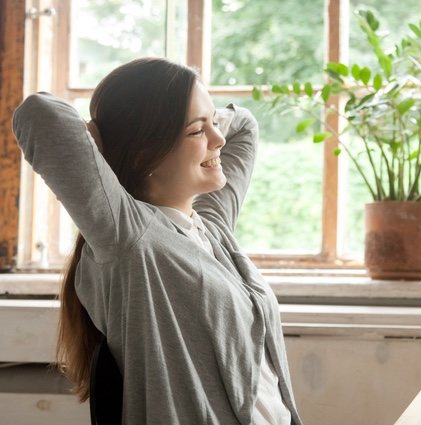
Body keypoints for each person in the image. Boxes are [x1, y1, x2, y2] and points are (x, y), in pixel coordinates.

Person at [13, 57, 302, 424]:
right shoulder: (131, 238)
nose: (220, 139)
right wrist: (109, 147)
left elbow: (245, 126)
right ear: (147, 149)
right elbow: (39, 114)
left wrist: (203, 120)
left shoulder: (211, 227)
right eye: (198, 132)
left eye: (214, 125)